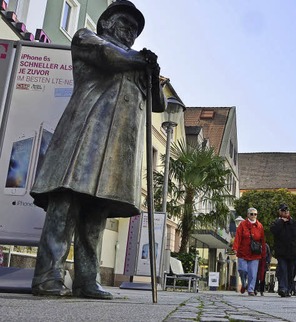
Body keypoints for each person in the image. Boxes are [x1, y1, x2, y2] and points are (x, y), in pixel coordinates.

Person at [29, 0, 165, 300]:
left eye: (134, 29)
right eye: (124, 24)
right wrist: (140, 60)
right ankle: (47, 276)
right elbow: (108, 57)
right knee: (65, 205)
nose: (129, 32)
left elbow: (158, 105)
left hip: (115, 151)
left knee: (95, 215)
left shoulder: (136, 62)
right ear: (106, 23)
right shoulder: (88, 38)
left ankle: (87, 280)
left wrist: (153, 73)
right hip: (84, 136)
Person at [270, 203, 296, 297]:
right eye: (283, 211)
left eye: (286, 211)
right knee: (282, 270)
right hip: (281, 252)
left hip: (292, 253)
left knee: (290, 272)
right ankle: (283, 288)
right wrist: (281, 221)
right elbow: (273, 230)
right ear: (280, 212)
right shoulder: (277, 222)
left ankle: (288, 289)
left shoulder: (294, 223)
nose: (285, 212)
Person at [233, 208, 266, 296]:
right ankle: (244, 284)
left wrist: (263, 252)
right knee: (242, 270)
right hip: (242, 252)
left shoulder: (260, 226)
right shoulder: (242, 225)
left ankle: (250, 289)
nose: (253, 216)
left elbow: (262, 240)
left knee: (253, 273)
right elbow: (238, 236)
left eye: (255, 214)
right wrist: (235, 247)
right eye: (251, 214)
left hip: (255, 253)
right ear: (248, 215)